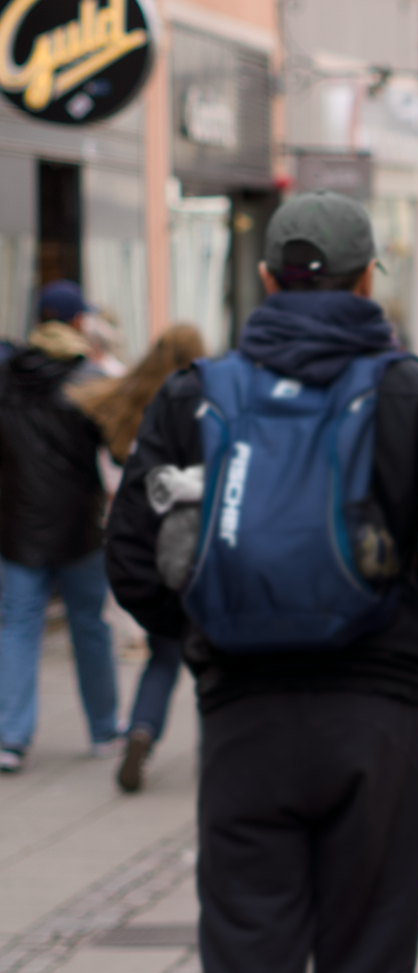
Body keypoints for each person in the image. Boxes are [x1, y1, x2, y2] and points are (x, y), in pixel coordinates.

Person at [106, 190, 418, 973]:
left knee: (246, 969)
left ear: (265, 280)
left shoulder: (194, 395)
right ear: (371, 276)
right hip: (374, 721)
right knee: (365, 962)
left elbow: (131, 555)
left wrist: (206, 640)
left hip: (243, 724)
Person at [74, 323, 208, 792]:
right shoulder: (200, 402)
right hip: (194, 540)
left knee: (162, 655)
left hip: (140, 537)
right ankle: (218, 758)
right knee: (212, 663)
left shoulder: (128, 396)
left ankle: (140, 733)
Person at [0, 280, 121, 773]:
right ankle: (104, 729)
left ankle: (10, 736)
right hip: (78, 524)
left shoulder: (6, 377)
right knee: (90, 626)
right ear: (76, 322)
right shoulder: (89, 379)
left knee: (18, 626)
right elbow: (115, 448)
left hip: (18, 523)